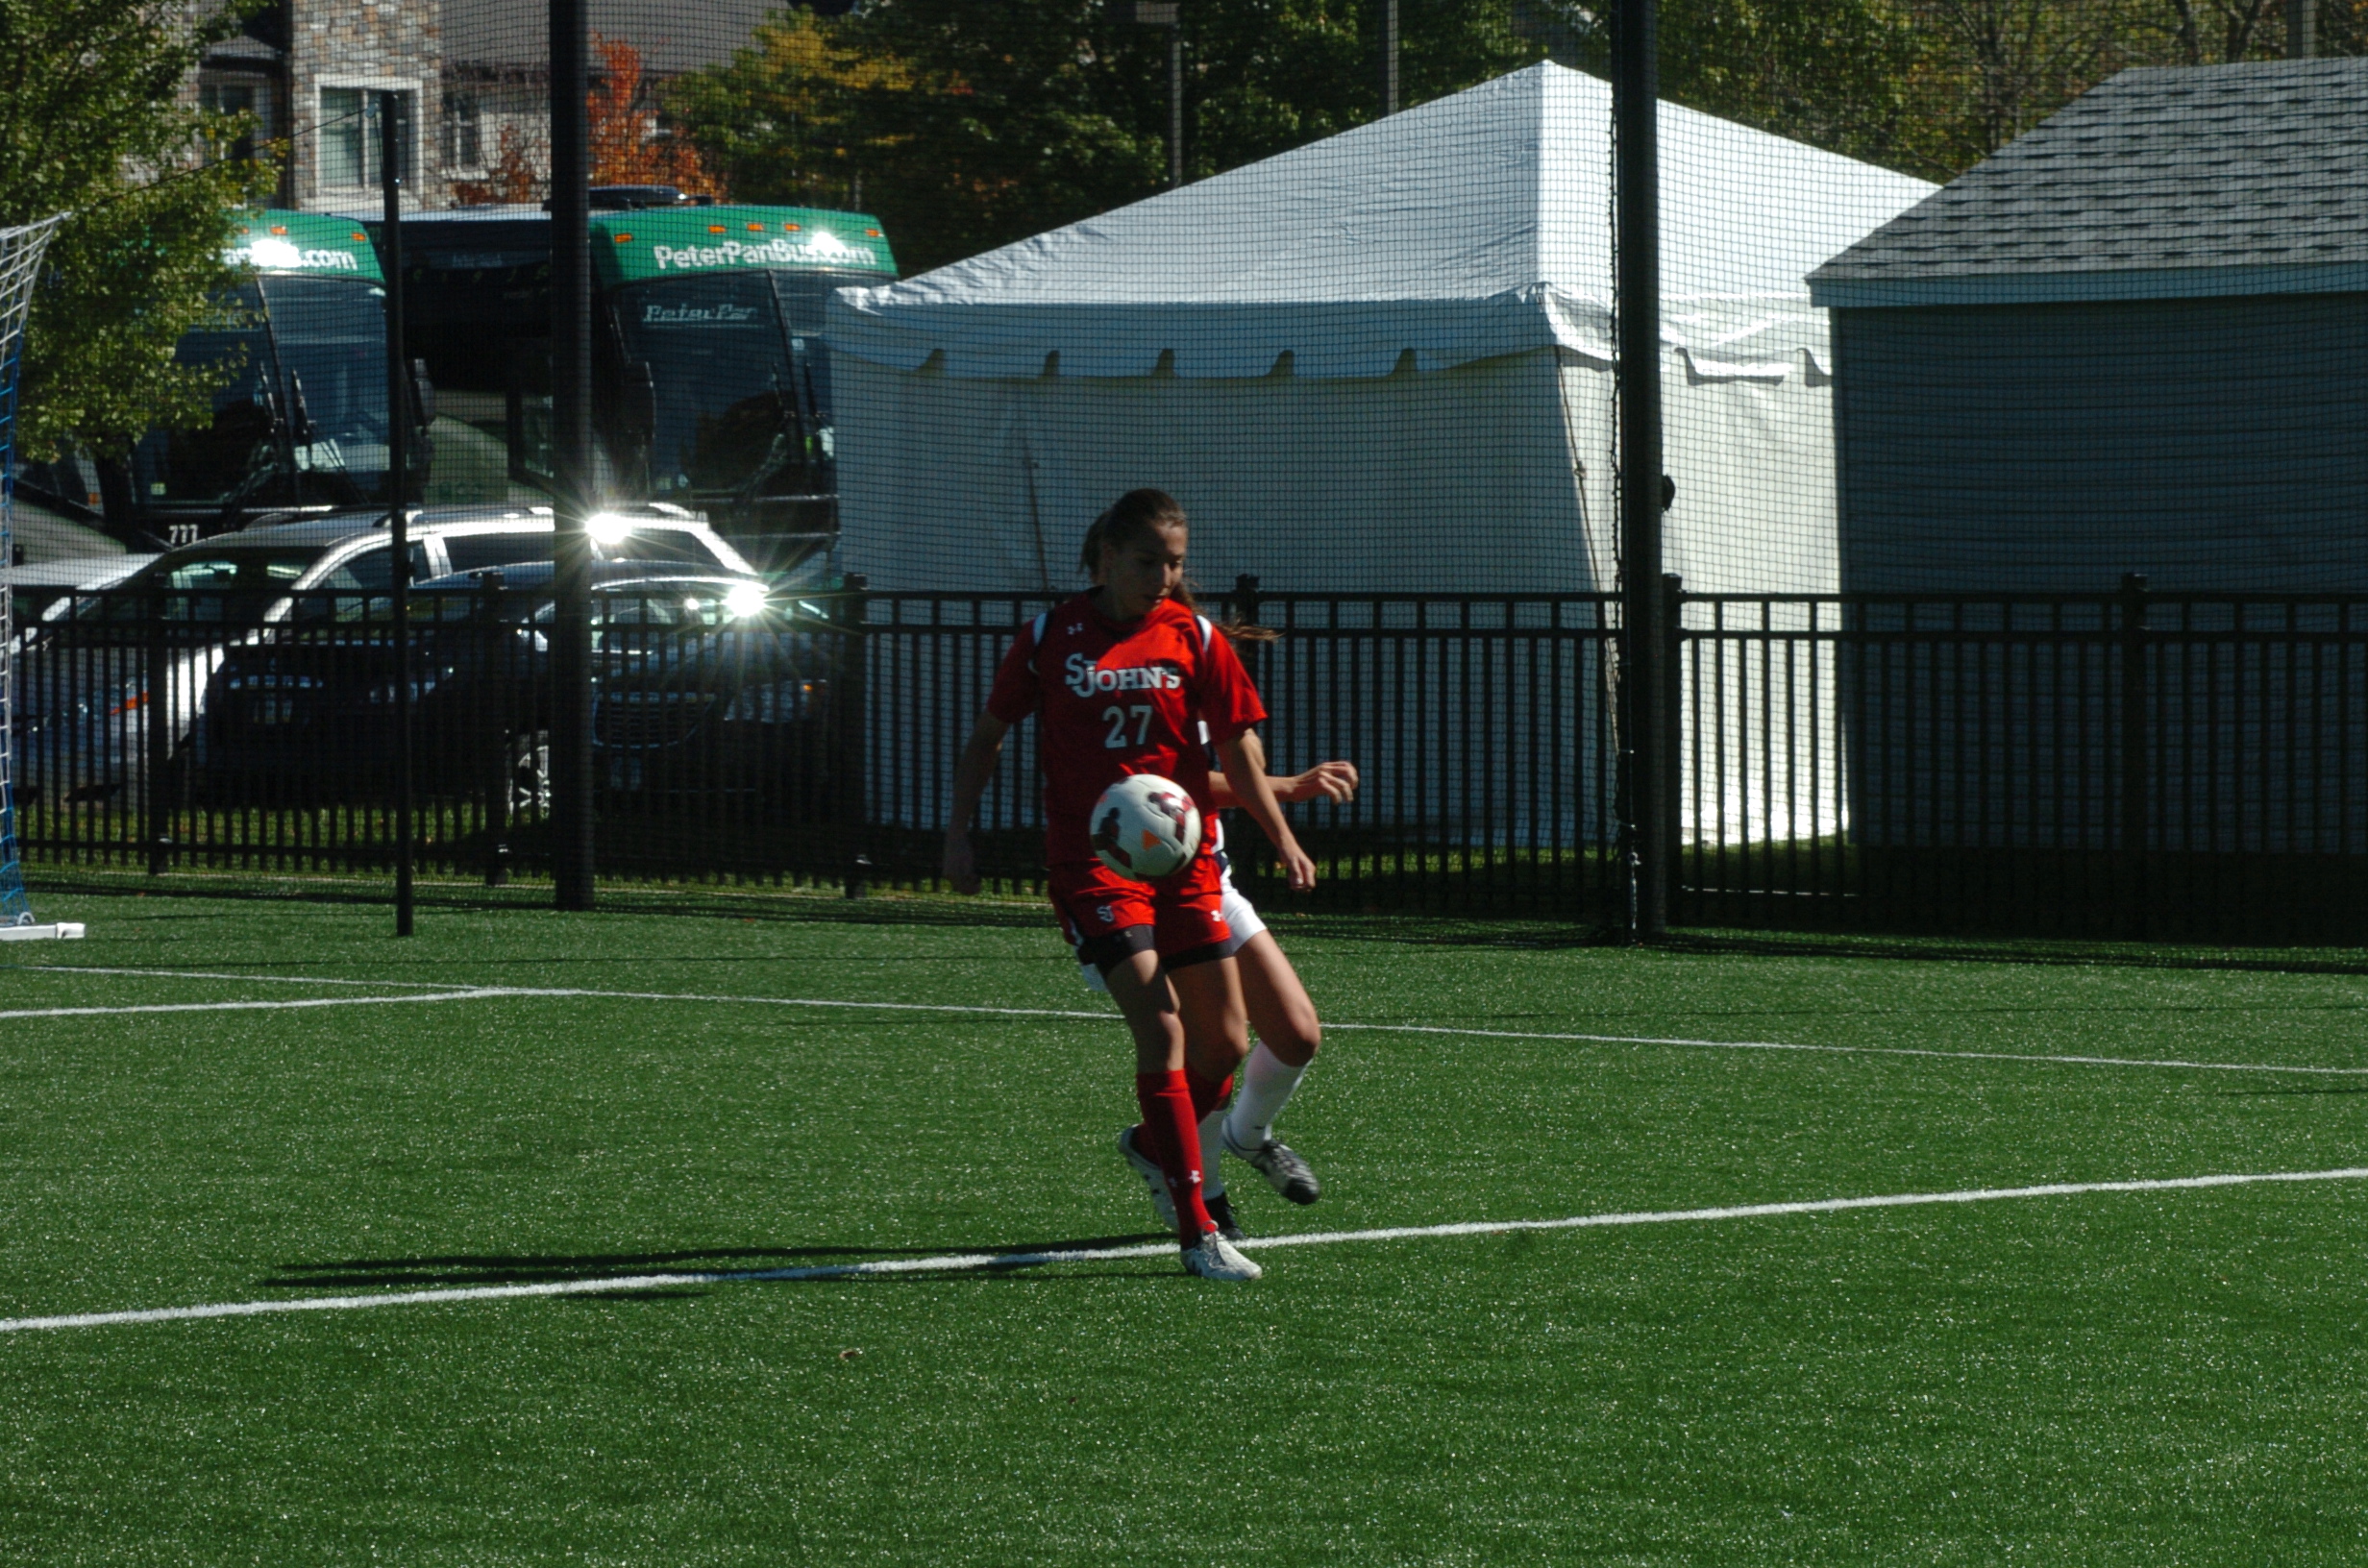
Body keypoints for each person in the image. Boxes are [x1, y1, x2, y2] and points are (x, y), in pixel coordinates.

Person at [942, 488, 1318, 1283]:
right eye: (1149, 561)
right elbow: (988, 736)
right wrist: (958, 832)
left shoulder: (1194, 637)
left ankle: (1159, 1148)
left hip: (1186, 865)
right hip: (1095, 868)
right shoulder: (1051, 637)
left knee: (1227, 1043)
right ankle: (1197, 1230)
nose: (1163, 577)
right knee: (1164, 1028)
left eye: (1174, 563)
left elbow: (1238, 750)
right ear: (1107, 557)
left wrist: (1283, 833)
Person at [1096, 757, 1354, 1242]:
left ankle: (1247, 1137)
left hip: (1209, 879)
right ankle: (1207, 1194)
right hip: (1135, 885)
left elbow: (1230, 761)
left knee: (1297, 1035)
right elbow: (1173, 781)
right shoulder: (1134, 704)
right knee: (1214, 1046)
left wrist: (1282, 827)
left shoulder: (1217, 707)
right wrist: (1288, 788)